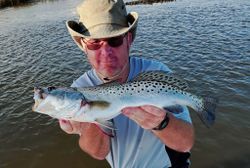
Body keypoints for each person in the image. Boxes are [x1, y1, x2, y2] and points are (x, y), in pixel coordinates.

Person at [60, 0, 194, 167]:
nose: (106, 52)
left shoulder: (156, 73)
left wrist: (162, 123)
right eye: (95, 43)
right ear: (84, 46)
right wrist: (89, 118)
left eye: (114, 40)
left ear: (128, 39)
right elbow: (98, 153)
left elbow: (185, 143)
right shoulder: (79, 88)